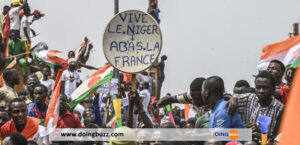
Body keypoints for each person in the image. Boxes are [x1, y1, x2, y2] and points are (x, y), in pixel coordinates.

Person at [226, 71, 285, 138]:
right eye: (258, 87)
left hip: (265, 142)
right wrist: (233, 98)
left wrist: (260, 131)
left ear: (273, 88)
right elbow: (229, 98)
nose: (261, 91)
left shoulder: (280, 109)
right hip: (245, 139)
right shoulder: (249, 98)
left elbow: (277, 139)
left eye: (265, 88)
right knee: (216, 136)